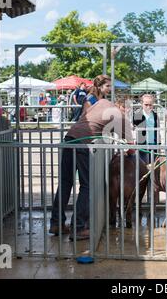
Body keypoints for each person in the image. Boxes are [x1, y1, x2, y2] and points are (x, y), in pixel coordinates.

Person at [49, 93, 134, 241]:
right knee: (87, 185)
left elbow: (86, 116)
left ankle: (56, 224)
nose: (127, 111)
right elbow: (132, 147)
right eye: (128, 108)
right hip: (84, 143)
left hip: (70, 138)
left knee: (65, 182)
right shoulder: (121, 116)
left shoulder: (101, 102)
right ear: (124, 108)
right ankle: (79, 228)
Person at [133, 94, 160, 164]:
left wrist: (159, 143)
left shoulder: (155, 115)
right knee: (143, 166)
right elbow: (133, 129)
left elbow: (158, 130)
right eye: (146, 104)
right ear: (142, 104)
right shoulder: (137, 115)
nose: (148, 106)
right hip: (142, 145)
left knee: (154, 166)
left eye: (150, 105)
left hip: (153, 145)